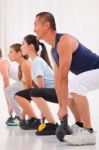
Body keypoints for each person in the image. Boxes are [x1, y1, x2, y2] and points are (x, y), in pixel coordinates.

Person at [32, 11, 99, 145]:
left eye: (35, 25)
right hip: (92, 74)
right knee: (68, 90)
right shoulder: (53, 50)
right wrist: (62, 107)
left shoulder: (64, 41)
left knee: (74, 83)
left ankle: (89, 131)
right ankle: (80, 125)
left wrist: (63, 108)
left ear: (46, 25)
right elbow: (58, 80)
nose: (34, 29)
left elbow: (64, 78)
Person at [15, 34, 58, 135]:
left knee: (35, 91)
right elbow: (39, 89)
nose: (21, 47)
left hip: (58, 93)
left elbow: (41, 89)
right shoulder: (34, 62)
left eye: (23, 44)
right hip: (49, 91)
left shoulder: (37, 62)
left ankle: (52, 124)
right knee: (19, 95)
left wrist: (43, 111)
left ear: (31, 47)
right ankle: (34, 119)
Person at [0, 48, 22, 125]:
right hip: (22, 80)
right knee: (11, 91)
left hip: (26, 81)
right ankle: (20, 115)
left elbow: (6, 85)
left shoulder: (2, 64)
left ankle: (20, 117)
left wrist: (9, 105)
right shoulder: (3, 61)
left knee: (8, 90)